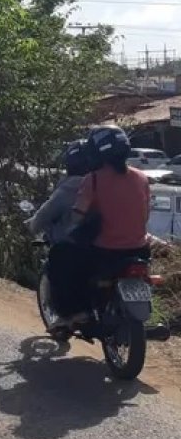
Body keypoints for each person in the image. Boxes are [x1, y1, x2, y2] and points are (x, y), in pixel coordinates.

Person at [62, 125, 151, 328]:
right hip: (140, 250)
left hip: (105, 252)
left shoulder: (92, 180)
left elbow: (77, 217)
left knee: (67, 262)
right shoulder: (142, 178)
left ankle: (78, 313)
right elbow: (145, 216)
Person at [26, 142, 90, 324]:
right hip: (108, 245)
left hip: (74, 246)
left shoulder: (69, 187)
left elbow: (44, 215)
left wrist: (32, 226)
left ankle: (66, 316)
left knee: (57, 266)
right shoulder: (105, 182)